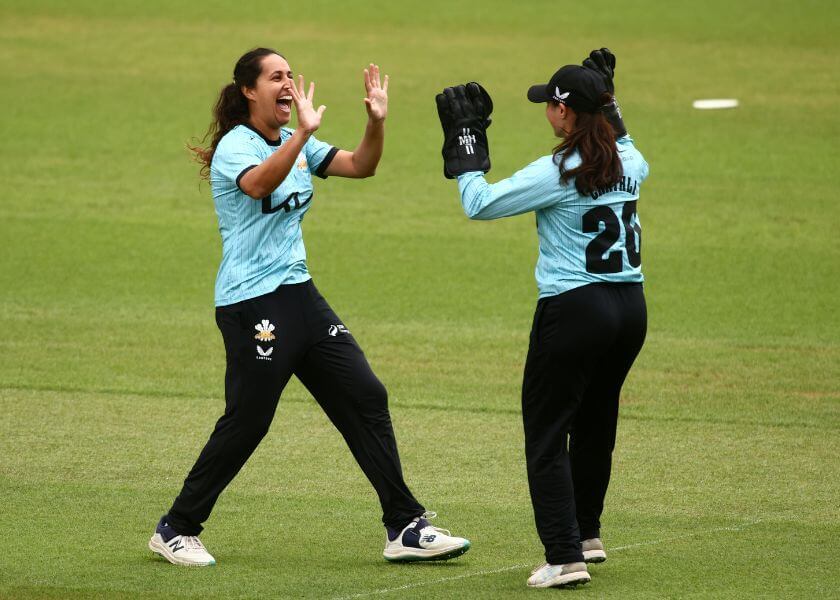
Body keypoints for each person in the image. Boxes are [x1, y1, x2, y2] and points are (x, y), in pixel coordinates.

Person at [149, 47, 470, 567]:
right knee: (249, 420)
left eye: (289, 76)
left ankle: (405, 526)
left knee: (365, 394)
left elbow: (361, 166)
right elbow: (257, 184)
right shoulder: (238, 145)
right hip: (251, 302)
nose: (287, 84)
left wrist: (376, 121)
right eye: (275, 77)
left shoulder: (300, 141)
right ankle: (176, 528)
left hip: (300, 295)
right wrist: (300, 135)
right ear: (249, 90)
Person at [435, 49, 648, 588]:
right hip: (630, 310)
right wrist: (607, 97)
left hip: (576, 310)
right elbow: (620, 135)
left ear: (562, 112)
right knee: (596, 421)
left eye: (549, 103)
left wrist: (467, 144)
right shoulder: (632, 160)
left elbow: (479, 204)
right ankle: (587, 534)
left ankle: (564, 556)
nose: (545, 111)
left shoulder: (558, 171)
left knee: (547, 434)